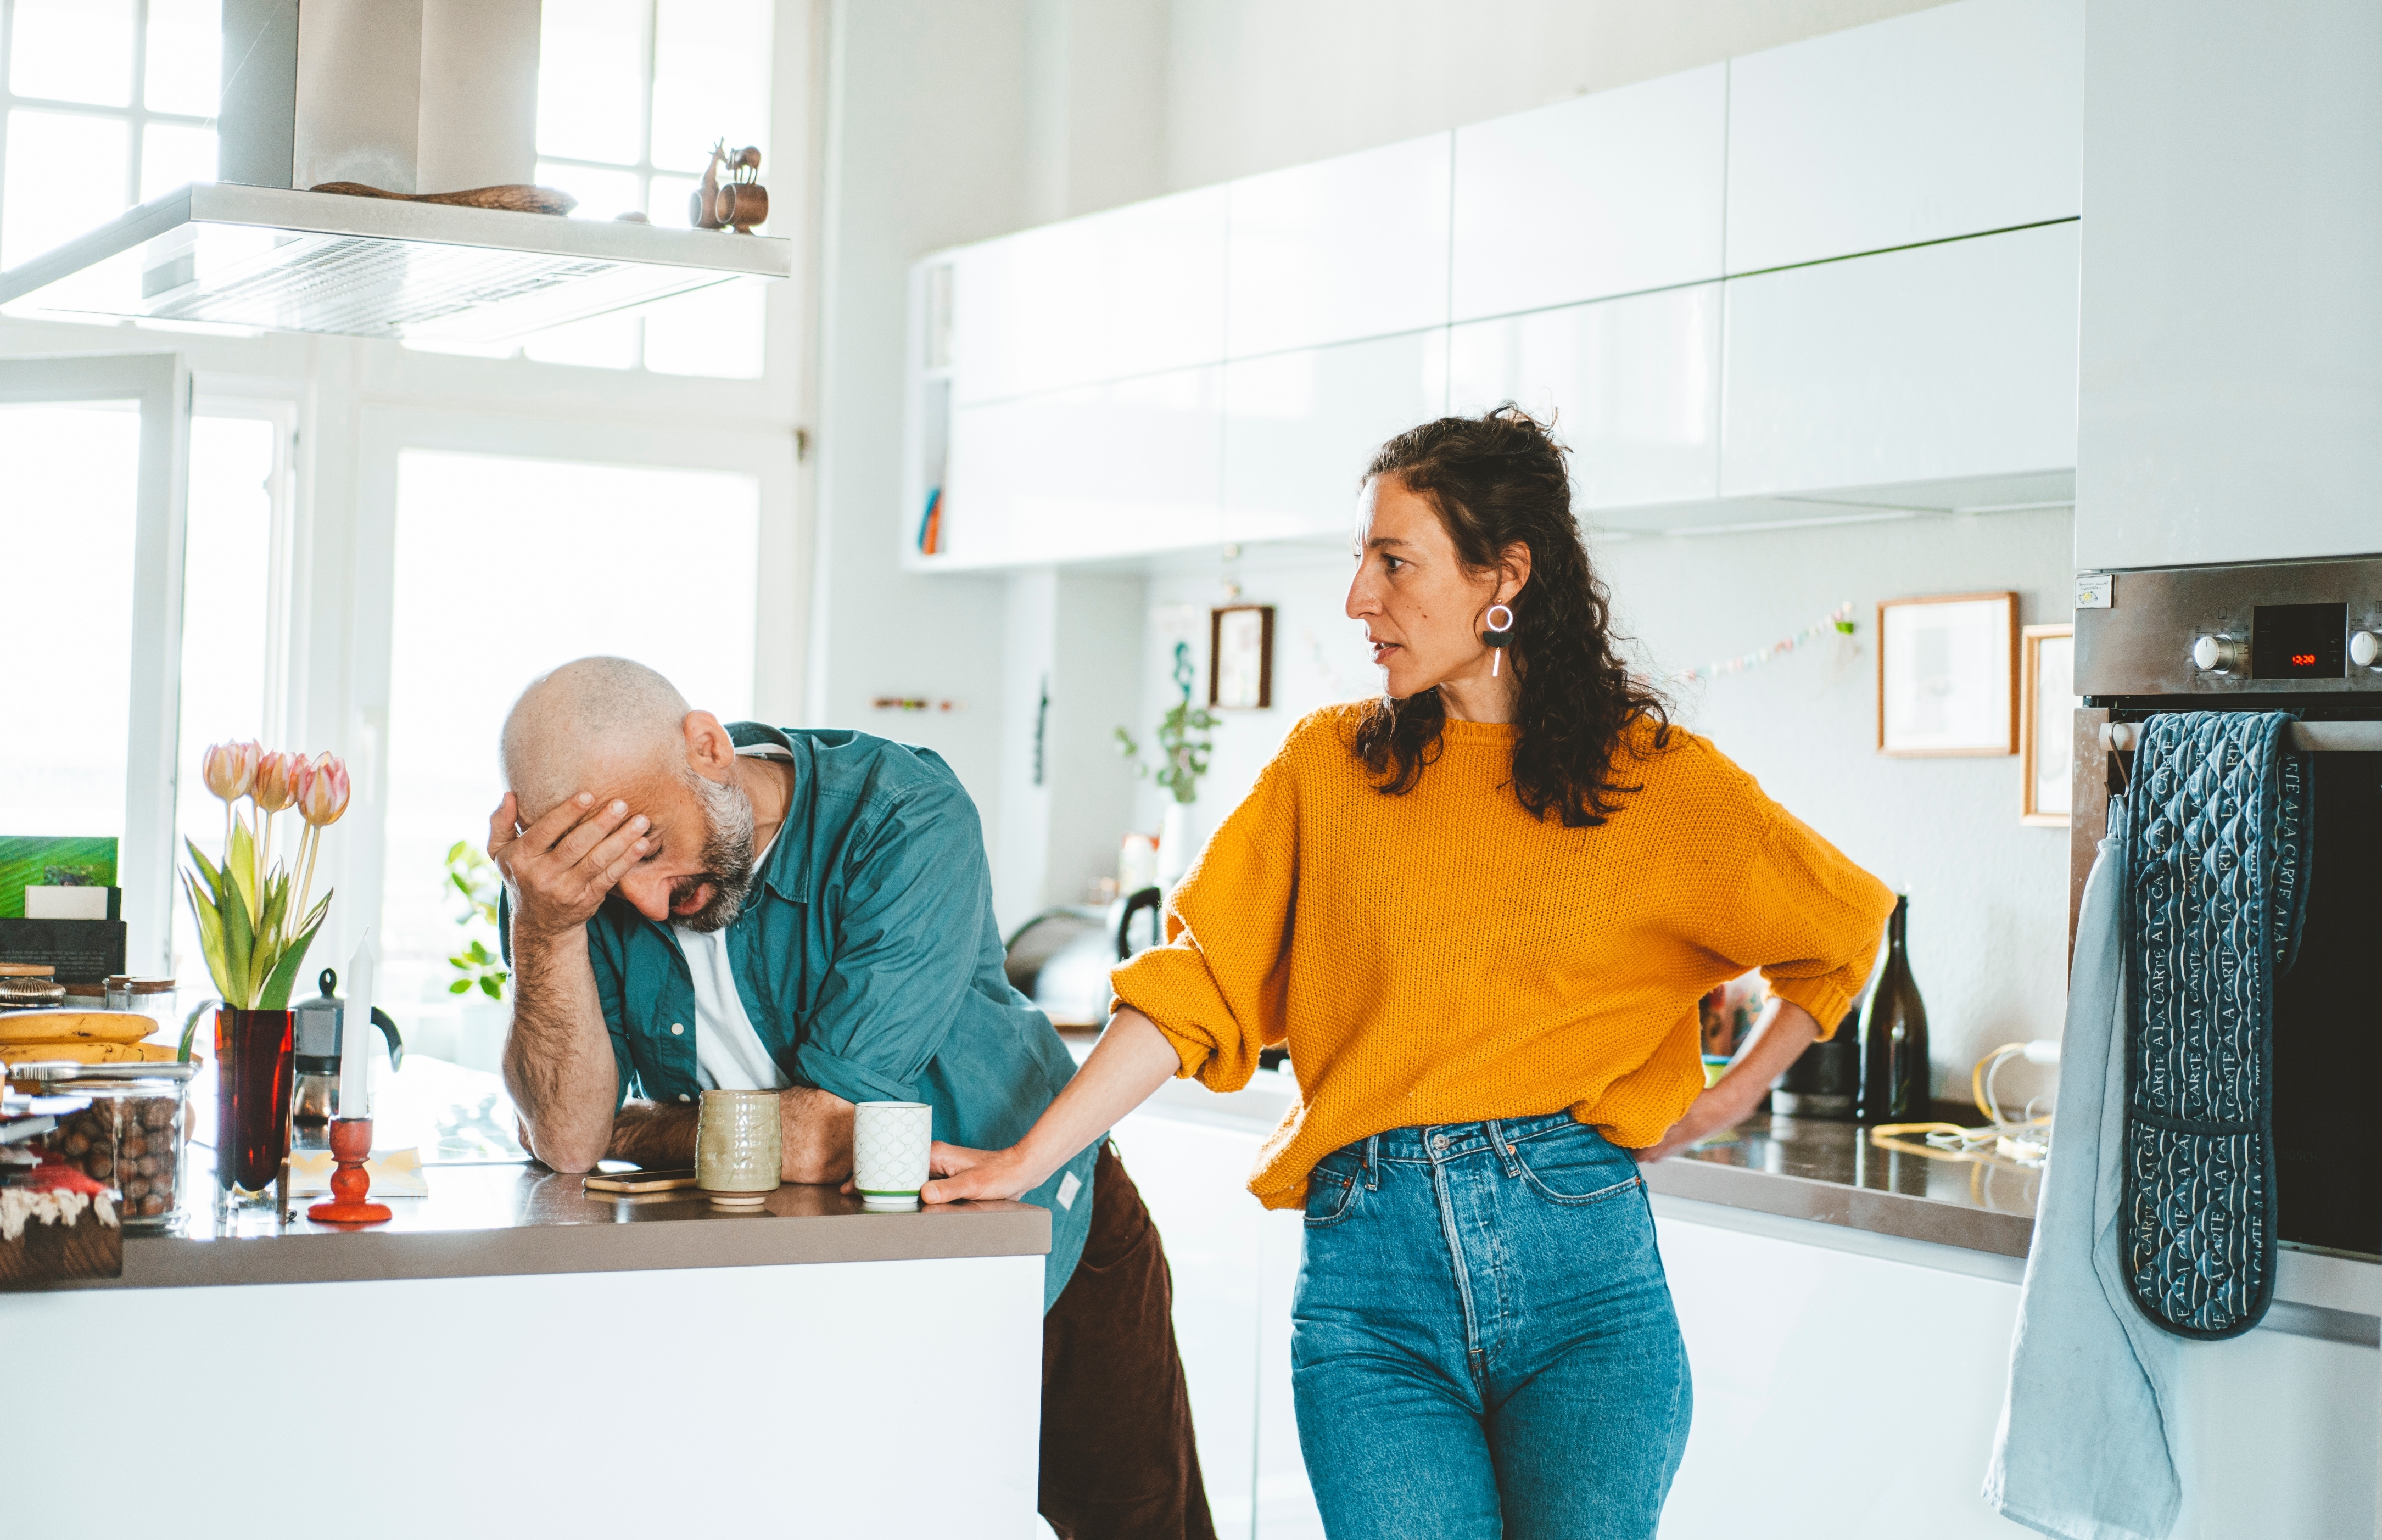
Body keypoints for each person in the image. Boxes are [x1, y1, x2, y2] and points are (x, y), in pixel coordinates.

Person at [923, 408, 1896, 1539]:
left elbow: (1842, 928)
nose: (1358, 598)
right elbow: (1197, 979)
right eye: (1361, 560)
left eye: (1394, 561)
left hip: (1587, 1284)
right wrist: (1029, 1162)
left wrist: (1730, 1094)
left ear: (1504, 575)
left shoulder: (1652, 781)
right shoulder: (1328, 772)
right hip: (1370, 1297)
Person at [489, 657, 1215, 1540]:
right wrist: (549, 926)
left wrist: (634, 1129)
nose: (643, 902)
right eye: (607, 880)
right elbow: (566, 1139)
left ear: (708, 748)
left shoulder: (901, 816)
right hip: (822, 1292)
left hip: (1040, 1241)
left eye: (648, 849)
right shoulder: (560, 889)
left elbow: (825, 1137)